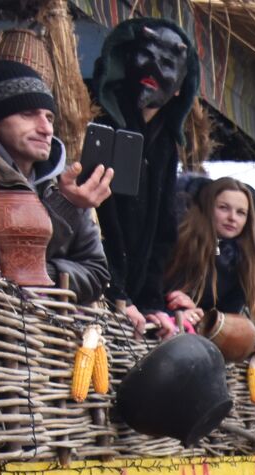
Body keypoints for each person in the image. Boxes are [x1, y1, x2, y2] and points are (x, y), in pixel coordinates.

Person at [90, 18, 199, 338]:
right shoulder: (100, 122)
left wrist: (151, 301)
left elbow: (163, 230)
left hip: (134, 305)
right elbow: (97, 222)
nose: (153, 68)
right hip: (102, 294)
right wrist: (116, 293)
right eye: (145, 54)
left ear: (180, 86)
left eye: (167, 63)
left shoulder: (165, 144)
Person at [0, 59, 111, 304]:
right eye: (28, 114)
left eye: (49, 117)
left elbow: (98, 275)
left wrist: (48, 273)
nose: (46, 128)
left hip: (46, 335)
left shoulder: (63, 187)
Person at [162, 177, 255, 353]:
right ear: (209, 207)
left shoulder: (244, 261)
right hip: (167, 324)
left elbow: (228, 314)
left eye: (241, 213)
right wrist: (178, 308)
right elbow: (158, 285)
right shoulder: (182, 239)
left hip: (203, 337)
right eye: (224, 208)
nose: (232, 218)